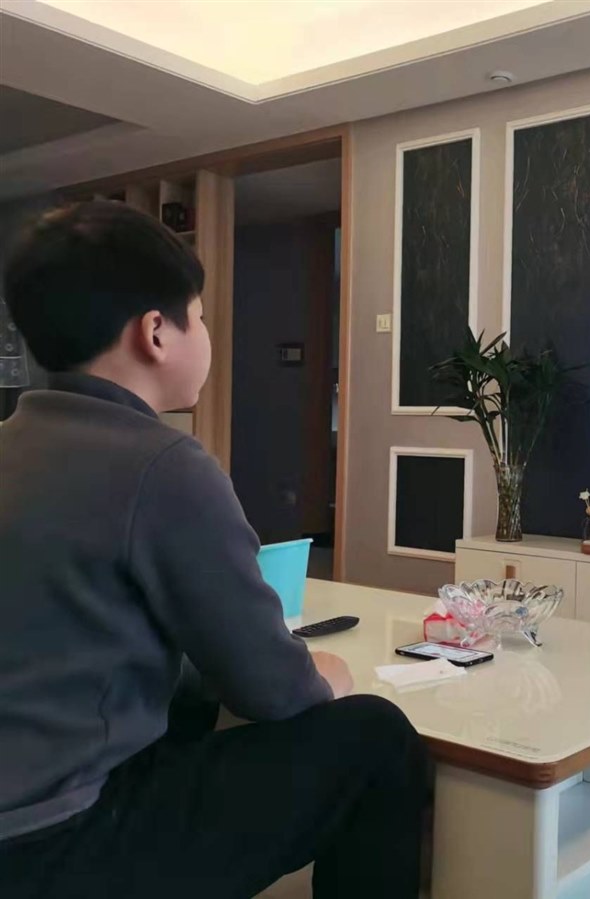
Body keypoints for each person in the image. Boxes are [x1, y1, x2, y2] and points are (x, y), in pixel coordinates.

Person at [0, 202, 428, 898]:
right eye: (198, 317)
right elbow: (272, 692)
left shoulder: (12, 445)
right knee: (374, 735)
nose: (206, 335)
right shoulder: (162, 463)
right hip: (63, 843)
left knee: (190, 701)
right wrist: (323, 673)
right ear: (156, 333)